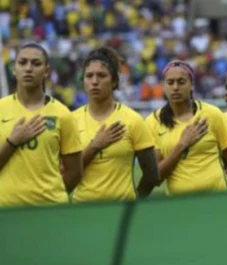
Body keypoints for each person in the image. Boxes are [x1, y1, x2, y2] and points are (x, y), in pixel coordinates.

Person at [72, 47, 159, 202]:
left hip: (120, 212)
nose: (94, 81)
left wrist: (133, 206)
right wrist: (94, 146)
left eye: (101, 75)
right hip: (82, 212)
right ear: (83, 81)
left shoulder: (133, 120)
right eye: (89, 76)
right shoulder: (70, 121)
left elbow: (152, 174)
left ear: (114, 81)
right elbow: (64, 174)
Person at [0, 43, 82, 207]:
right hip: (7, 212)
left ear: (46, 71)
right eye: (22, 63)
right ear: (14, 69)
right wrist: (12, 142)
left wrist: (51, 198)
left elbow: (75, 172)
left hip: (50, 212)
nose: (28, 68)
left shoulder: (63, 114)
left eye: (36, 63)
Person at [146, 60, 227, 196]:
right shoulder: (153, 122)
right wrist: (182, 145)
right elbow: (155, 178)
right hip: (181, 207)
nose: (175, 87)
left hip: (217, 203)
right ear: (164, 86)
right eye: (170, 82)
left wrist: (220, 190)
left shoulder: (212, 114)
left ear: (191, 85)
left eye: (181, 82)